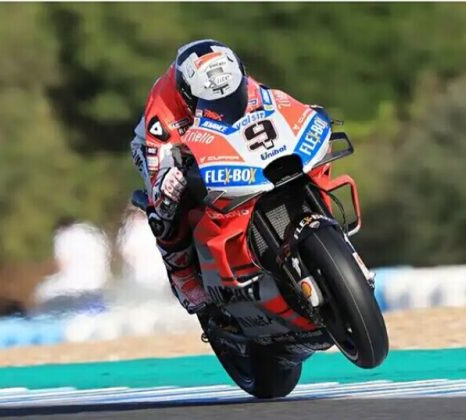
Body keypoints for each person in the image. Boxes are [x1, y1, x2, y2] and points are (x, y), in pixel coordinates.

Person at [130, 39, 328, 315]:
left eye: (231, 94)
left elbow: (277, 107)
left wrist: (305, 114)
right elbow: (161, 178)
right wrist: (166, 184)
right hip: (168, 146)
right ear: (187, 95)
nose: (223, 102)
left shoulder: (240, 82)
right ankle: (181, 274)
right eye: (210, 99)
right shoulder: (163, 111)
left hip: (221, 134)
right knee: (165, 208)